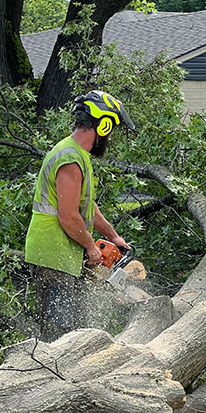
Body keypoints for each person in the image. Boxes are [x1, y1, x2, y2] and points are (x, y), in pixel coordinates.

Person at [25, 90, 134, 340]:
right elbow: (69, 218)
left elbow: (87, 207)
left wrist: (113, 236)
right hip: (52, 254)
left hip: (63, 255)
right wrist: (91, 248)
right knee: (60, 334)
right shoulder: (70, 158)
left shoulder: (77, 155)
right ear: (104, 125)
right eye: (111, 129)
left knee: (77, 330)